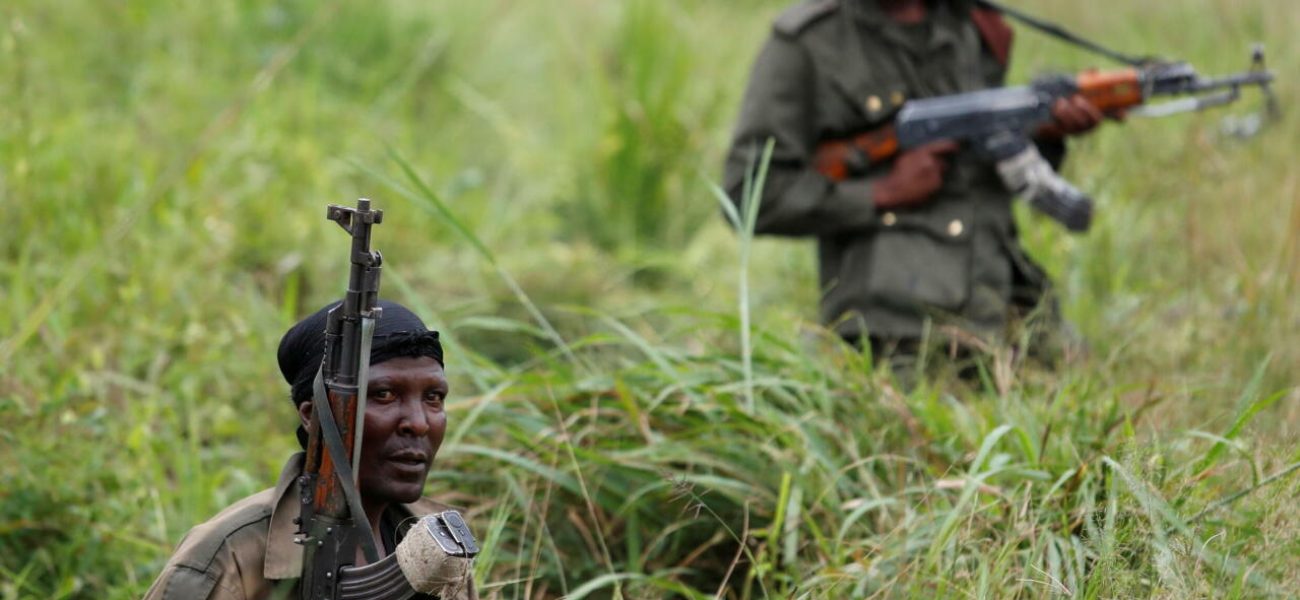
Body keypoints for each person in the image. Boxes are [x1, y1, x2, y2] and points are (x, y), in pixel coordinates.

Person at [723, 0, 1105, 370]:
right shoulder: (809, 42)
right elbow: (749, 192)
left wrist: (1045, 135)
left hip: (1008, 307)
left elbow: (981, 170)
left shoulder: (971, 23)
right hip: (893, 331)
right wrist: (883, 192)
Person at [144, 300, 477, 600]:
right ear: (313, 415)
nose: (418, 424)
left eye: (433, 397)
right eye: (385, 394)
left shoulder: (439, 545)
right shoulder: (229, 555)